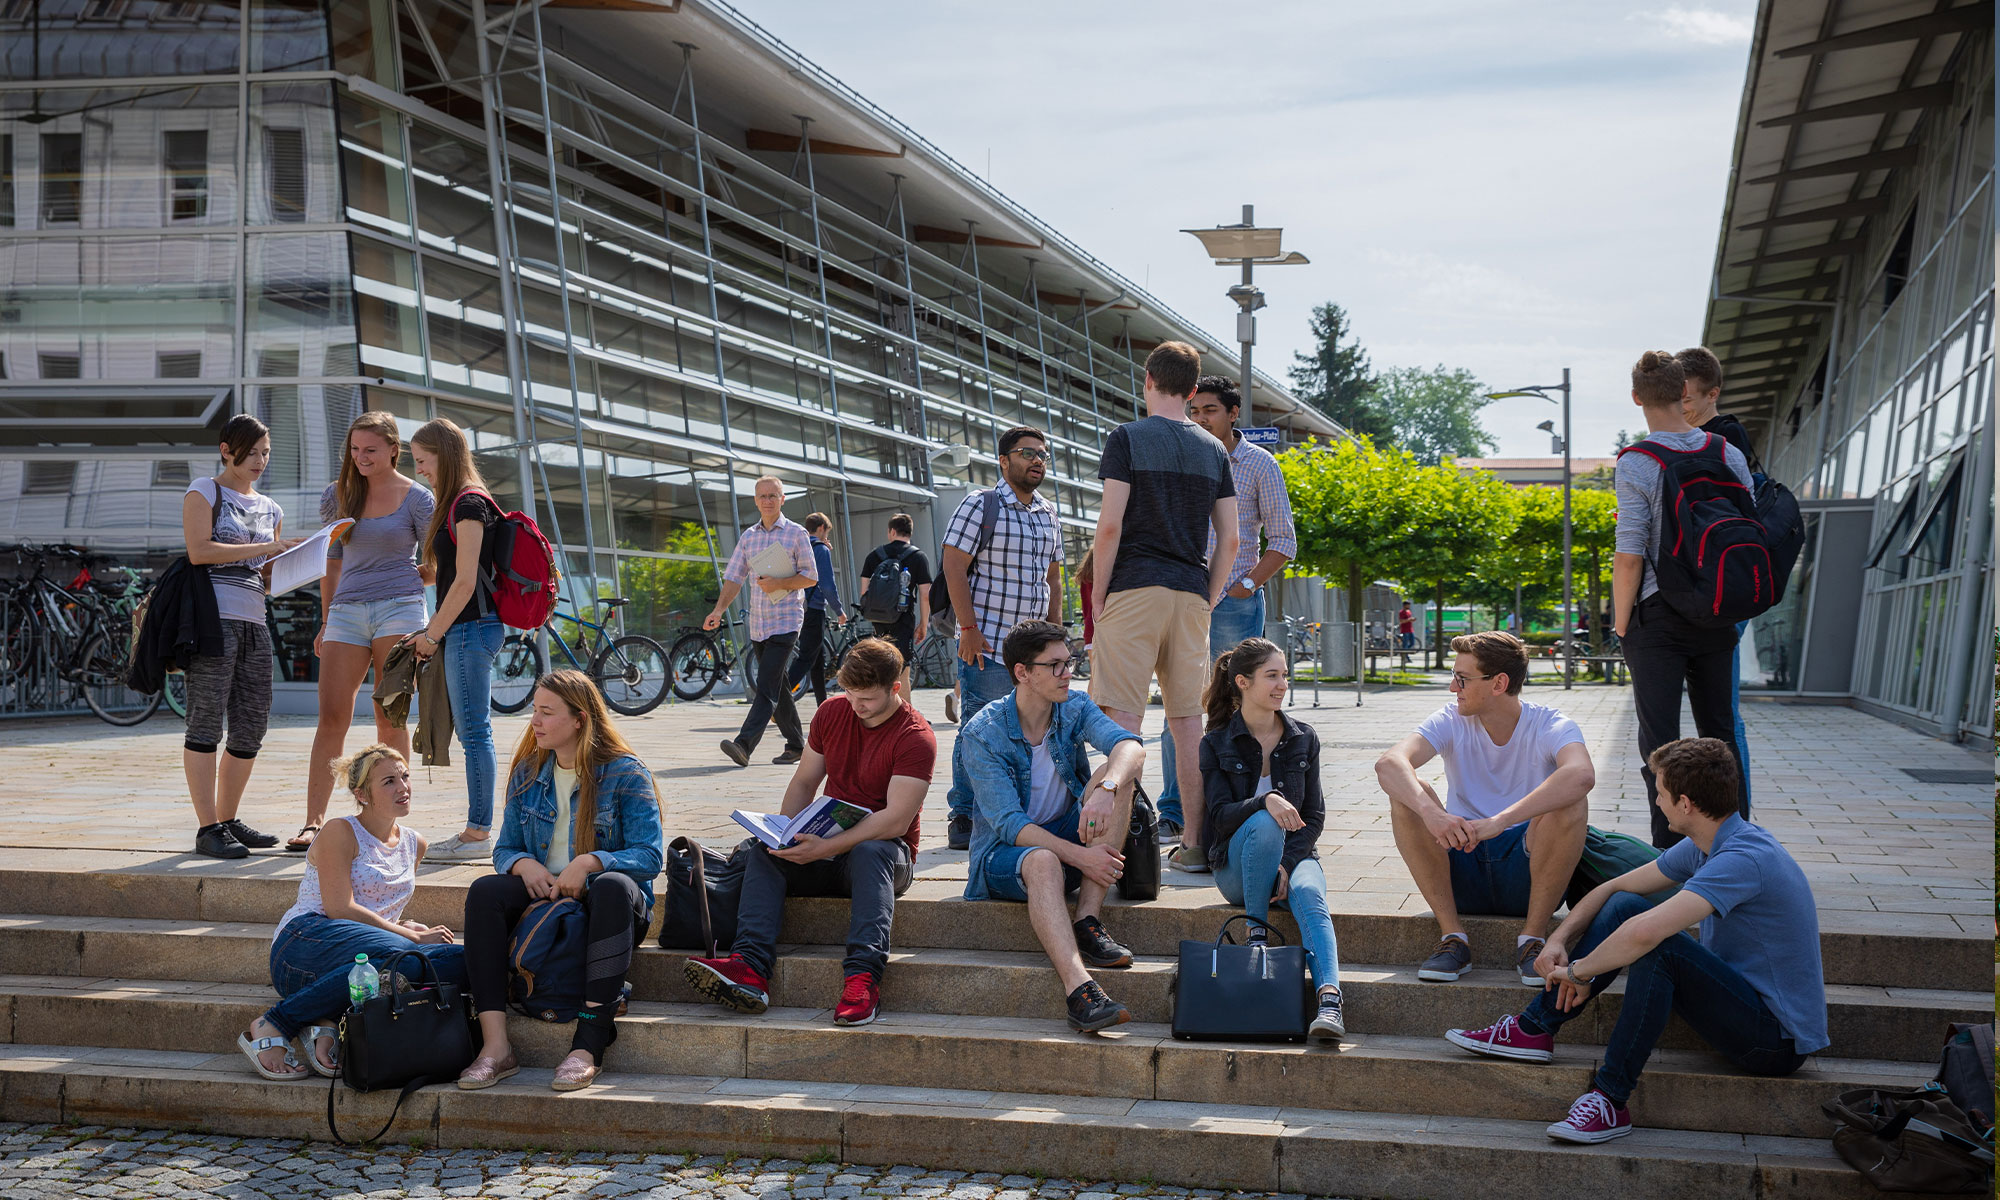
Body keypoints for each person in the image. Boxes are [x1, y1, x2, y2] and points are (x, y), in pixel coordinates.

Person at [1444, 737, 1826, 1145]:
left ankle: (1610, 1099)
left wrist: (1578, 971)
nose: (1656, 801)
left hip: (1773, 1041)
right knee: (1627, 904)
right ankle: (1534, 1028)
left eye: (1659, 792)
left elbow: (1645, 933)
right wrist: (1557, 939)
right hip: (1736, 1004)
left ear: (1685, 804)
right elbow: (1613, 889)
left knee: (1658, 946)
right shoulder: (1709, 844)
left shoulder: (1742, 859)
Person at [684, 638, 936, 1027]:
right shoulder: (832, 712)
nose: (856, 705)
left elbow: (896, 822)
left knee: (873, 850)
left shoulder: (915, 736)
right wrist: (786, 835)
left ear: (895, 688)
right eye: (849, 693)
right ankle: (749, 968)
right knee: (763, 851)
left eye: (867, 698)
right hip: (827, 845)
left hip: (885, 858)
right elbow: (804, 783)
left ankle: (862, 979)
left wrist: (825, 848)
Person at [457, 670, 664, 1092]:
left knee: (611, 885)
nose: (534, 720)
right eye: (535, 710)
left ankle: (589, 1043)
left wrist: (591, 861)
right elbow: (504, 848)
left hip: (610, 908)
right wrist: (520, 864)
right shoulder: (528, 773)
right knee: (484, 891)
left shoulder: (626, 773)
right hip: (545, 899)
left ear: (579, 719)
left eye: (547, 712)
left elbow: (649, 857)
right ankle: (495, 1047)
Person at [1088, 342, 1238, 874]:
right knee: (1187, 724)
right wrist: (1211, 592)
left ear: (1147, 379)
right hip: (1190, 592)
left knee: (1122, 723)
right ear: (1193, 389)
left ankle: (1115, 854)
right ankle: (1194, 846)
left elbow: (1110, 526)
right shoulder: (1214, 450)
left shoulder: (1126, 437)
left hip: (1135, 586)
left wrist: (1099, 594)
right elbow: (1232, 539)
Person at [1374, 631, 1593, 988]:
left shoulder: (1551, 723)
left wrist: (1500, 822)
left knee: (1569, 801)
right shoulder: (1451, 718)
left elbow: (1582, 775)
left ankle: (1532, 940)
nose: (1452, 687)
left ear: (1499, 683)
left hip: (1527, 874)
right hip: (1460, 862)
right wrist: (1433, 814)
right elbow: (1389, 763)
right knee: (1411, 794)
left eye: (1461, 679)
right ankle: (1453, 939)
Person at [236, 745, 465, 1080]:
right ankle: (276, 1021)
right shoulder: (340, 831)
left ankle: (323, 1016)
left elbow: (375, 909)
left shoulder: (416, 843)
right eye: (388, 781)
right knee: (405, 953)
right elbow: (340, 908)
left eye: (404, 777)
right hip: (302, 945)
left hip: (364, 957)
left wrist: (399, 925)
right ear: (362, 793)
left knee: (462, 961)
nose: (403, 787)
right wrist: (411, 934)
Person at [961, 621, 1146, 1033]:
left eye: (1070, 662)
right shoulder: (983, 733)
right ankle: (1080, 991)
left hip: (1064, 831)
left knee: (1116, 775)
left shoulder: (1072, 707)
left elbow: (1129, 745)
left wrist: (1107, 787)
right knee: (1042, 860)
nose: (1069, 674)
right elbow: (1010, 825)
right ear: (1022, 672)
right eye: (1056, 665)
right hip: (1003, 857)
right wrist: (1082, 857)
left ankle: (1087, 920)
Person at [1614, 350, 1754, 848]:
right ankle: (1733, 845)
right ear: (1684, 393)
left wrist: (1623, 622)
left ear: (1637, 398)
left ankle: (1669, 851)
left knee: (1659, 738)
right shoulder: (1726, 452)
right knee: (1721, 735)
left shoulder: (1638, 461)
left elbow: (1629, 553)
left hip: (1659, 615)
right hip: (1718, 612)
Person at [1154, 376, 1296, 844]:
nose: (1199, 419)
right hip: (1181, 597)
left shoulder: (1258, 464)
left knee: (1232, 706)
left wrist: (1246, 585)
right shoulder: (1180, 458)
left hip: (1232, 605)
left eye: (1209, 411)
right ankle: (1175, 810)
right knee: (1181, 704)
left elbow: (1283, 540)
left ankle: (1226, 806)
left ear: (1233, 413)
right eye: (1194, 412)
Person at [293, 412, 436, 853]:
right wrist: (325, 618)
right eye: (354, 450)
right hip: (347, 612)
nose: (360, 458)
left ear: (394, 449)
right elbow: (330, 562)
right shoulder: (338, 495)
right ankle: (313, 822)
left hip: (399, 609)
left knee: (387, 716)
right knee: (331, 716)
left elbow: (436, 566)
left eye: (370, 450)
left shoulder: (418, 499)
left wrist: (413, 582)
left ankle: (387, 823)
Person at [1198, 637, 1344, 1040]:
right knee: (1265, 821)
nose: (1283, 685)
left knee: (1312, 896)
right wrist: (1267, 800)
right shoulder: (1215, 742)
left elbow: (1313, 816)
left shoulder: (1303, 737)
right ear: (1242, 682)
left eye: (1285, 675)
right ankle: (1256, 935)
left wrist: (1286, 863)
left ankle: (1329, 1000)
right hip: (1235, 868)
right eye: (1272, 676)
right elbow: (1219, 817)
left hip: (1294, 856)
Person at [181, 413, 301, 859]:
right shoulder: (204, 490)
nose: (259, 461)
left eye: (265, 453)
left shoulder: (272, 508)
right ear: (226, 450)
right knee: (206, 720)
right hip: (212, 621)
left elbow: (265, 576)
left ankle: (227, 820)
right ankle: (207, 827)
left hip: (255, 620)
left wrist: (296, 560)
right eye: (251, 452)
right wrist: (266, 547)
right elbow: (200, 551)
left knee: (252, 724)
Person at [939, 425, 1063, 851]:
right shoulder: (981, 505)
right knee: (978, 728)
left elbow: (1053, 576)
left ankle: (1012, 807)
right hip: (988, 641)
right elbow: (953, 567)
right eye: (1026, 452)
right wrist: (969, 630)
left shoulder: (1048, 512)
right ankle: (965, 813)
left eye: (1042, 454)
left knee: (1030, 727)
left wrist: (1056, 634)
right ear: (1004, 460)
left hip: (1035, 650)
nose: (1036, 460)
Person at [401, 419, 505, 862]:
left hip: (469, 628)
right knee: (474, 731)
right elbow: (458, 575)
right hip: (469, 628)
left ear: (444, 453)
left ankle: (478, 833)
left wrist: (431, 633)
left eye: (423, 461)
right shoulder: (465, 502)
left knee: (474, 733)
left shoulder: (467, 504)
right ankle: (477, 829)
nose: (421, 470)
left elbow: (464, 584)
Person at [1677, 345, 1756, 822]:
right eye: (1675, 397)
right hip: (1712, 589)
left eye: (1687, 398)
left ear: (1712, 394)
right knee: (1721, 713)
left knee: (1725, 715)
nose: (1680, 406)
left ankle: (1738, 822)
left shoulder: (1722, 439)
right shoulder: (1702, 436)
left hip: (1724, 589)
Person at [707, 477, 817, 767]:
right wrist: (719, 610)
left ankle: (744, 744)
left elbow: (810, 576)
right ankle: (796, 745)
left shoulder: (796, 534)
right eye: (762, 496)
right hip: (759, 624)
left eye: (773, 495)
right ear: (755, 500)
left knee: (765, 685)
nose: (767, 500)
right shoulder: (748, 537)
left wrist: (781, 581)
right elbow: (734, 577)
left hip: (787, 621)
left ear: (783, 499)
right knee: (777, 686)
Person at [859, 513, 934, 694]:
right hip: (903, 617)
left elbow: (864, 592)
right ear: (909, 532)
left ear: (892, 531)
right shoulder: (918, 557)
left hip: (878, 618)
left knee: (882, 663)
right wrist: (924, 624)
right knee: (902, 666)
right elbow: (925, 594)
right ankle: (905, 715)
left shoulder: (874, 556)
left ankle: (882, 711)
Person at [787, 512, 846, 706]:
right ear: (821, 528)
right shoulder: (821, 550)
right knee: (806, 658)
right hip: (814, 609)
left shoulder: (800, 547)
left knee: (817, 659)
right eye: (827, 531)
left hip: (798, 607)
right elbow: (827, 585)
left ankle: (823, 705)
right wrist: (839, 610)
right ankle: (777, 700)